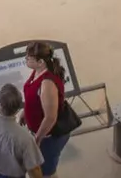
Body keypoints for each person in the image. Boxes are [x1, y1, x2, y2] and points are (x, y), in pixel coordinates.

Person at [21, 42, 73, 175]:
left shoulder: (47, 83)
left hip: (48, 137)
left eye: (29, 57)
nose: (26, 58)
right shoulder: (37, 72)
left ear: (40, 62)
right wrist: (24, 112)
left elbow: (50, 117)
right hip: (41, 133)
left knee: (46, 171)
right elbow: (33, 96)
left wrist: (37, 140)